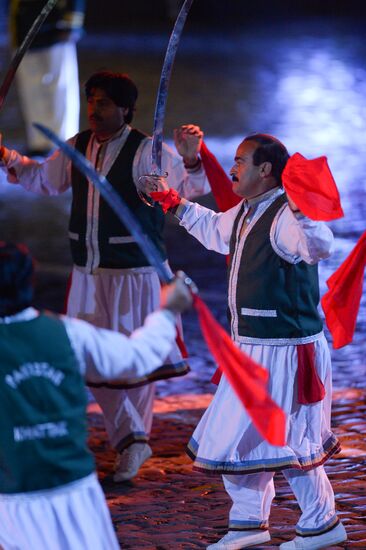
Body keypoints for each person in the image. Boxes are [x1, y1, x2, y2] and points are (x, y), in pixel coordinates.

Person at [0, 70, 210, 482]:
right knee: (87, 358)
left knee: (136, 366)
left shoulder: (148, 151)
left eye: (104, 103)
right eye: (92, 100)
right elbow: (44, 179)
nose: (95, 109)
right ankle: (132, 437)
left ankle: (133, 440)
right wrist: (7, 156)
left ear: (126, 109)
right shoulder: (77, 146)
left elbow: (189, 190)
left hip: (136, 273)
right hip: (88, 273)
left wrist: (190, 157)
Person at [142, 134, 347, 549]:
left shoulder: (287, 216)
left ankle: (322, 524)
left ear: (265, 169)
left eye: (240, 161)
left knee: (289, 440)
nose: (232, 167)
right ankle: (248, 523)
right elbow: (211, 227)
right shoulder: (245, 213)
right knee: (240, 438)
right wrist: (169, 199)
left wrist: (304, 211)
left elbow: (319, 246)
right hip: (250, 348)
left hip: (287, 350)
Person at [0, 241, 193, 550]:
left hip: (12, 501)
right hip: (75, 492)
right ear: (28, 282)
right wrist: (167, 312)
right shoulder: (68, 332)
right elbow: (137, 357)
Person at [9, 0, 86, 156]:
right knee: (31, 91)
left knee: (60, 89)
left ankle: (63, 142)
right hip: (24, 27)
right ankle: (38, 143)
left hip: (55, 25)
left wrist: (73, 21)